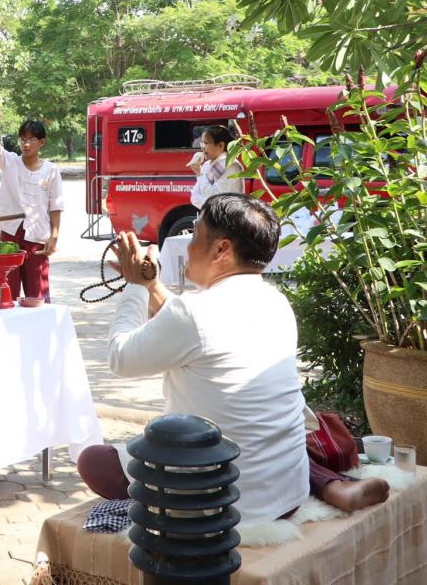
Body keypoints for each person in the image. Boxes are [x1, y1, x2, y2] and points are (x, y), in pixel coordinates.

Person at [77, 194, 389, 523]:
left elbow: (120, 357)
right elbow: (186, 330)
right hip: (285, 492)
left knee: (94, 460)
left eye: (195, 236)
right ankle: (331, 487)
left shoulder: (193, 312)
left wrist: (136, 288)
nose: (188, 247)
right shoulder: (276, 301)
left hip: (219, 499)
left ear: (222, 250)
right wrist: (151, 283)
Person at [0, 106, 63, 303]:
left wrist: (54, 237)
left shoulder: (51, 171)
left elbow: (55, 207)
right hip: (10, 233)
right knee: (7, 290)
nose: (26, 144)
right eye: (22, 139)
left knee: (37, 296)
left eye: (31, 139)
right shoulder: (10, 162)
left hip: (37, 236)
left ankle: (39, 331)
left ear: (41, 142)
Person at [189, 125, 244, 209]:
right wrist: (211, 206)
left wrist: (200, 175)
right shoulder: (206, 165)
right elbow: (194, 197)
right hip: (211, 216)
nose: (202, 148)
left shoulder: (230, 165)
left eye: (206, 143)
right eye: (202, 143)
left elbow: (217, 197)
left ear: (221, 145)